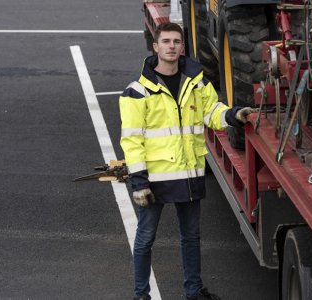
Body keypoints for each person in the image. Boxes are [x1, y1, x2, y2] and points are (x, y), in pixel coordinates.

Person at [119, 22, 252, 300]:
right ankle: (140, 295)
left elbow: (211, 111)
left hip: (188, 175)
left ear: (182, 47)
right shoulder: (136, 92)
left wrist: (233, 115)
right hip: (154, 179)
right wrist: (138, 182)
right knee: (145, 239)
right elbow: (132, 141)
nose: (171, 46)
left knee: (191, 237)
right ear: (155, 47)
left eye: (176, 42)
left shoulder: (196, 81)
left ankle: (193, 291)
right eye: (165, 41)